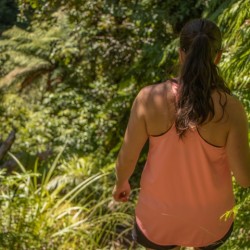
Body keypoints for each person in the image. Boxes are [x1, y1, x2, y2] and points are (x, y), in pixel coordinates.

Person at [112, 18, 250, 250]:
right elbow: (245, 179)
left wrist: (121, 183)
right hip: (211, 222)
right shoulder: (231, 108)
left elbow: (127, 159)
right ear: (218, 56)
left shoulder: (148, 99)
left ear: (180, 54)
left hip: (158, 221)